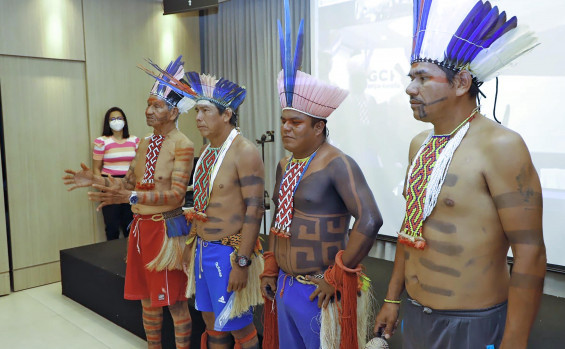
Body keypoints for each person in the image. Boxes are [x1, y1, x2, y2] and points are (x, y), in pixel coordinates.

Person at [374, 1, 546, 348]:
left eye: (423, 78)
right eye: (411, 78)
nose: (410, 89)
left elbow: (530, 251)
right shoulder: (419, 145)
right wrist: (393, 298)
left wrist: (514, 341)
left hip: (473, 325)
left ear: (461, 82)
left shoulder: (501, 146)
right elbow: (411, 229)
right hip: (416, 314)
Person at [260, 2, 383, 348]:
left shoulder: (337, 163)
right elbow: (278, 220)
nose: (286, 128)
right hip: (284, 283)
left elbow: (370, 219)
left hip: (321, 291)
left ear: (319, 127)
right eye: (283, 120)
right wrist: (270, 265)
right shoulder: (285, 164)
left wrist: (337, 276)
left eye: (295, 122)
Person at [63, 55, 195, 349]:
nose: (148, 110)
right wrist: (98, 180)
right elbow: (129, 184)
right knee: (148, 301)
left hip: (166, 229)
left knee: (174, 302)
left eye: (156, 105)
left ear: (173, 112)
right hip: (141, 230)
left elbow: (176, 195)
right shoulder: (145, 144)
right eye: (148, 104)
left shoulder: (183, 144)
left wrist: (131, 196)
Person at [168, 72, 264, 349]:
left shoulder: (244, 151)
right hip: (202, 249)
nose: (198, 117)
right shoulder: (209, 150)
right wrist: (191, 245)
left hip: (229, 253)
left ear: (227, 115)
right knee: (212, 325)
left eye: (205, 111)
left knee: (240, 327)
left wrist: (242, 262)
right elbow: (201, 205)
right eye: (197, 110)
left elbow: (255, 209)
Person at [93, 107, 140, 240]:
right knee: (112, 226)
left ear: (125, 121)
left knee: (130, 224)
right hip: (110, 185)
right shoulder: (101, 141)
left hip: (130, 185)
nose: (116, 121)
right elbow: (96, 168)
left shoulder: (135, 141)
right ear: (108, 123)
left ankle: (131, 258)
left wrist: (134, 184)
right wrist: (102, 187)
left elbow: (140, 165)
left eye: (119, 118)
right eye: (112, 119)